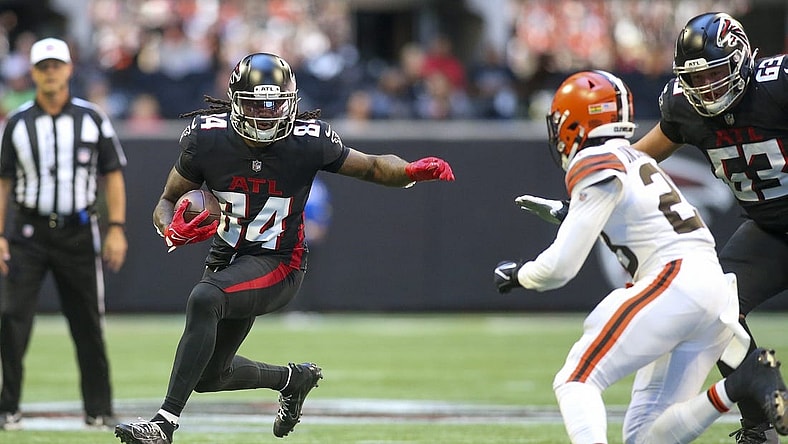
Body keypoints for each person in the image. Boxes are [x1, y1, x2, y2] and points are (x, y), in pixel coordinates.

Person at [114, 52, 454, 444]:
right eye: (256, 105)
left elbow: (373, 167)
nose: (266, 115)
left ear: (290, 101)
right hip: (227, 258)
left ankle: (163, 425)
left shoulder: (307, 141)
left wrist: (409, 172)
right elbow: (166, 201)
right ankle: (293, 379)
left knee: (205, 298)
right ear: (235, 103)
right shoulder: (207, 138)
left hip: (279, 262)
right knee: (209, 376)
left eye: (275, 104)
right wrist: (170, 227)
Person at [515, 12, 788, 443]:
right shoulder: (684, 107)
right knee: (722, 310)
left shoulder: (778, 84)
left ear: (741, 61)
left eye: (715, 74)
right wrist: (585, 206)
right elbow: (637, 158)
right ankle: (759, 427)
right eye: (695, 79)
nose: (706, 88)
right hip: (769, 228)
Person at [0, 37, 128, 430]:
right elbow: (3, 182)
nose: (50, 73)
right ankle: (7, 408)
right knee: (12, 319)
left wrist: (116, 228)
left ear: (69, 69)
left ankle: (99, 408)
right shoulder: (17, 122)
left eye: (56, 65)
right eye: (44, 67)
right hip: (28, 232)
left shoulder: (92, 118)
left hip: (78, 231)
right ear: (33, 73)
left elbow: (112, 174)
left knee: (87, 321)